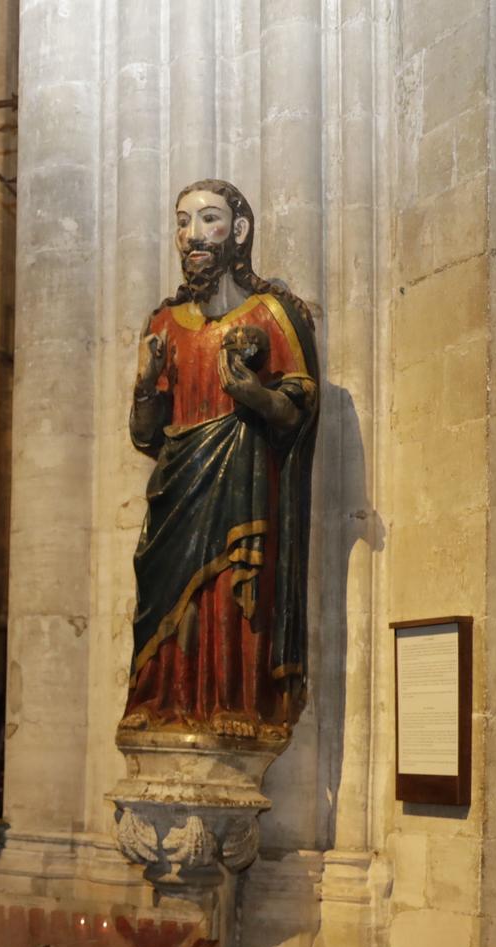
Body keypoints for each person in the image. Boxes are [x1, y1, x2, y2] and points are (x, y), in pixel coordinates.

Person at [122, 178, 320, 744]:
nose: (192, 236)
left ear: (238, 231)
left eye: (207, 220)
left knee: (232, 591)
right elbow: (144, 436)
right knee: (164, 594)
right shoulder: (163, 324)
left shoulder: (274, 315)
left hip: (244, 479)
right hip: (178, 482)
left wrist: (252, 395)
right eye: (182, 223)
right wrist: (143, 385)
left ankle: (236, 701)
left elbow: (298, 413)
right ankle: (160, 700)